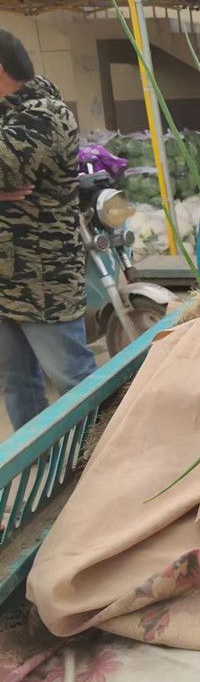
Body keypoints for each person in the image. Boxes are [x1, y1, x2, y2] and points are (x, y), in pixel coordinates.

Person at [0, 30, 95, 431]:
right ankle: (39, 461)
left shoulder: (44, 116)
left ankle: (104, 456)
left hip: (42, 281)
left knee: (74, 379)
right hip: (6, 279)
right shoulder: (7, 113)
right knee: (17, 383)